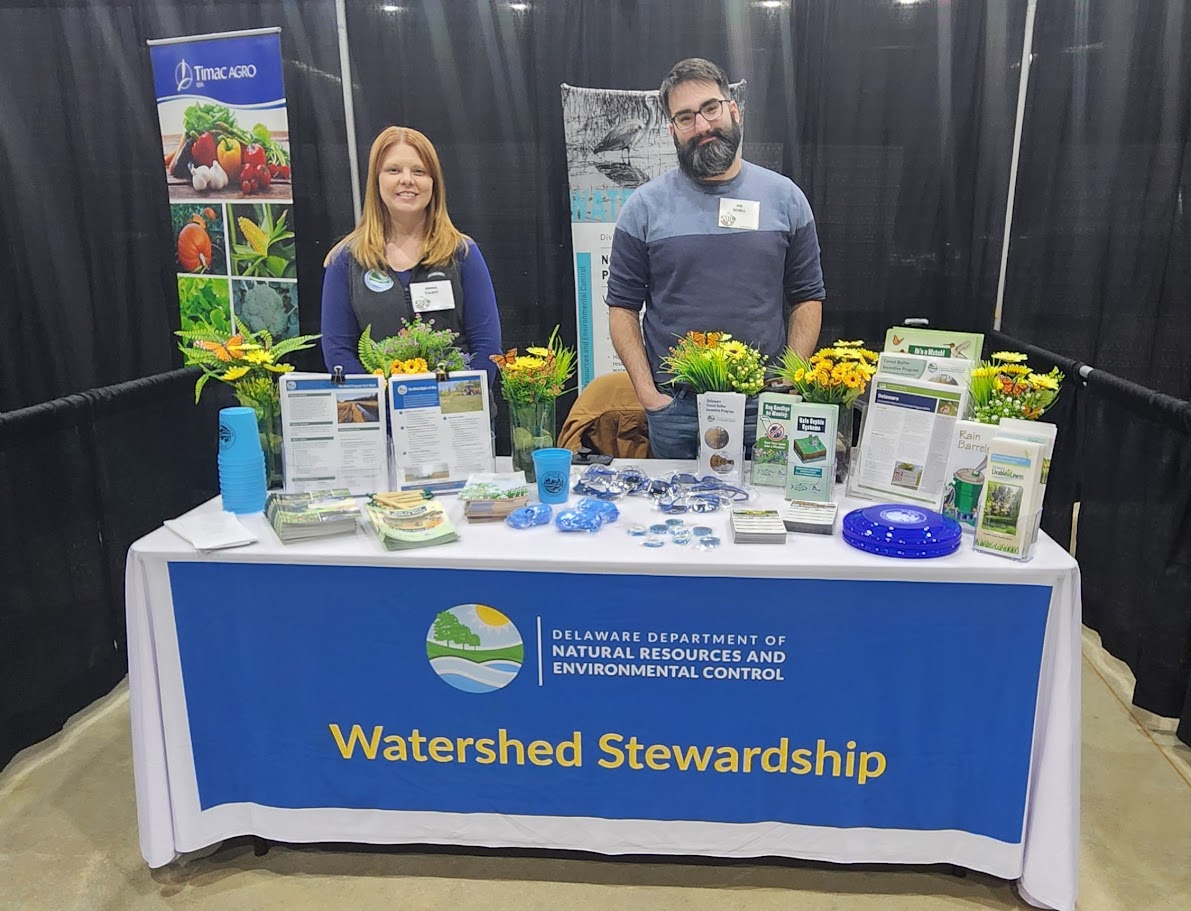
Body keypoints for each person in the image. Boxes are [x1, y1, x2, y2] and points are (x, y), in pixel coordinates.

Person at [605, 58, 824, 459]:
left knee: (761, 516)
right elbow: (621, 308)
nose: (702, 126)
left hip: (764, 407)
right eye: (685, 118)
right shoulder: (642, 208)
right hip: (676, 410)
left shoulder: (786, 199)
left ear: (733, 109)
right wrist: (648, 394)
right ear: (672, 130)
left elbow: (807, 296)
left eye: (710, 108)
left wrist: (789, 380)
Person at [321, 126, 502, 384]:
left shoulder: (463, 253)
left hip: (456, 416)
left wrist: (452, 403)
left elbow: (487, 347)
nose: (407, 179)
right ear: (376, 181)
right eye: (394, 170)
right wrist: (386, 404)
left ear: (433, 183)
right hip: (381, 419)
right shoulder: (345, 261)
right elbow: (338, 351)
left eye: (419, 171)